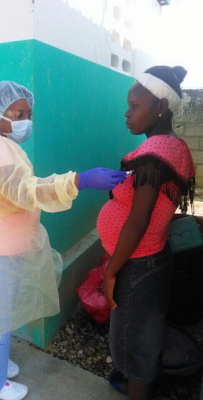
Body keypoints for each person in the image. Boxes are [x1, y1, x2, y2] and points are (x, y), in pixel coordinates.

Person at [0, 81, 126, 400]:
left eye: (28, 114)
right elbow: (26, 191)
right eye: (18, 113)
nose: (25, 121)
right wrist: (78, 181)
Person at [97, 66, 195, 400]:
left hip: (138, 264)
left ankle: (138, 389)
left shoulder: (154, 154)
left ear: (161, 107)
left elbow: (138, 222)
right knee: (143, 334)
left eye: (135, 105)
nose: (127, 112)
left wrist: (111, 273)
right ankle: (139, 384)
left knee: (134, 341)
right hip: (151, 260)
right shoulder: (172, 145)